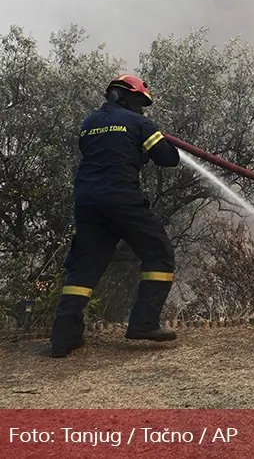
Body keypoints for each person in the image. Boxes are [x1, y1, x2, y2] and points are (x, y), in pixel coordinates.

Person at [50, 74, 181, 358]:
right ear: (122, 96)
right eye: (139, 102)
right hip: (122, 200)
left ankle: (64, 337)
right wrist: (154, 142)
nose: (142, 109)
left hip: (87, 203)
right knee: (159, 253)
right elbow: (168, 159)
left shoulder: (89, 123)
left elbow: (107, 152)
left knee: (84, 269)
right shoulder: (139, 123)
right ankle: (144, 323)